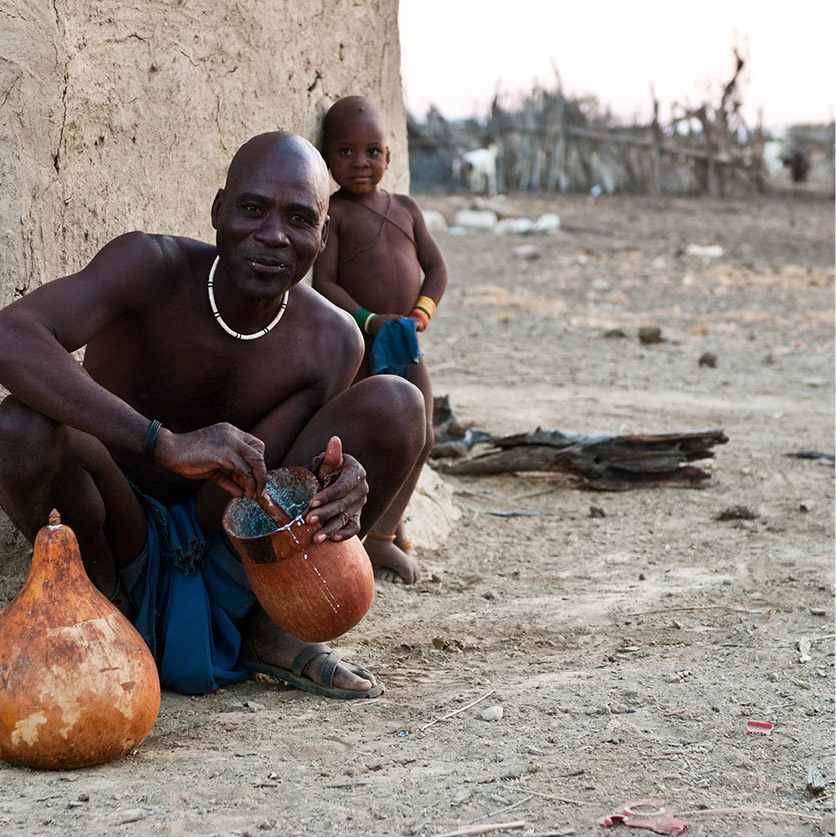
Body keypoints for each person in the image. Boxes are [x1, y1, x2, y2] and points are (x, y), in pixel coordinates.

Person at [0, 131, 427, 699]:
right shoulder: (148, 267)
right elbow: (11, 335)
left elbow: (234, 491)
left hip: (229, 539)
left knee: (399, 403)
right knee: (19, 428)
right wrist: (162, 442)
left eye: (300, 219)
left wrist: (333, 484)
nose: (273, 234)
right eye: (252, 208)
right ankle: (103, 609)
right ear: (218, 210)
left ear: (323, 237)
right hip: (111, 518)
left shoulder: (331, 339)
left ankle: (267, 631)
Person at [313, 96, 448, 585]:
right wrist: (368, 319)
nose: (360, 163)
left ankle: (386, 532)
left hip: (401, 338)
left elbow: (436, 269)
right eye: (346, 152)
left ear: (389, 157)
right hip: (363, 344)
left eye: (372, 151)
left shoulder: (407, 209)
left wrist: (419, 314)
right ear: (328, 159)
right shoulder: (336, 215)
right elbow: (322, 283)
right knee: (374, 436)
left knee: (424, 435)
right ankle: (377, 538)